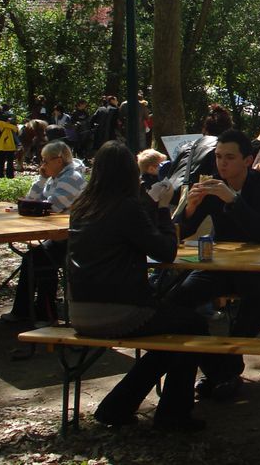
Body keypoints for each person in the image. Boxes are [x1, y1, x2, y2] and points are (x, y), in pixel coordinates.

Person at [67, 140, 206, 431]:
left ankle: (118, 406)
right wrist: (164, 208)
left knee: (175, 333)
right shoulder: (126, 207)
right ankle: (173, 414)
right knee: (193, 326)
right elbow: (166, 251)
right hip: (120, 310)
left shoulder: (81, 206)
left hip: (78, 310)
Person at [169, 129, 260, 401]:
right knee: (177, 301)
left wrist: (232, 199)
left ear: (247, 160)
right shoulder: (211, 186)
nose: (222, 163)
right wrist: (190, 208)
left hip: (259, 267)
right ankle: (219, 369)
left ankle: (226, 371)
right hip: (220, 267)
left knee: (258, 303)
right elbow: (181, 232)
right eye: (219, 157)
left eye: (229, 157)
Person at [2, 141, 87, 324]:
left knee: (39, 260)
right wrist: (41, 179)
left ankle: (45, 314)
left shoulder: (72, 177)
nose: (43, 165)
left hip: (75, 239)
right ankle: (27, 311)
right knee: (34, 258)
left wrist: (34, 205)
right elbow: (31, 200)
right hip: (59, 236)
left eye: (46, 160)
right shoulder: (54, 178)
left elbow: (52, 206)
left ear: (59, 160)